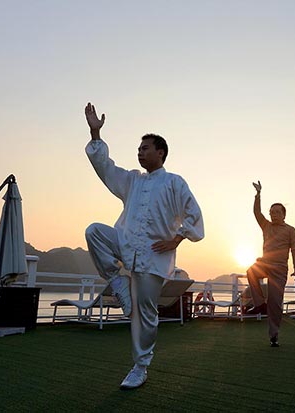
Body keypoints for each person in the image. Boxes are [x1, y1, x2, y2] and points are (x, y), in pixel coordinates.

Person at [83, 102, 204, 389]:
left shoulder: (175, 183)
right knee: (94, 232)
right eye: (139, 148)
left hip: (154, 258)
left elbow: (194, 215)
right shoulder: (132, 181)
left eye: (145, 148)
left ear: (160, 152)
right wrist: (95, 134)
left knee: (145, 314)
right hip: (125, 245)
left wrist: (177, 238)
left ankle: (140, 366)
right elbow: (105, 168)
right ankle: (117, 281)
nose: (140, 152)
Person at [246, 180, 295, 347]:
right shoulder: (266, 226)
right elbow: (256, 212)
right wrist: (258, 195)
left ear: (284, 214)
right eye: (271, 212)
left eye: (277, 212)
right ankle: (260, 303)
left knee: (275, 304)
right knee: (251, 271)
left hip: (279, 269)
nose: (273, 215)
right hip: (265, 264)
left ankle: (274, 336)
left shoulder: (290, 230)